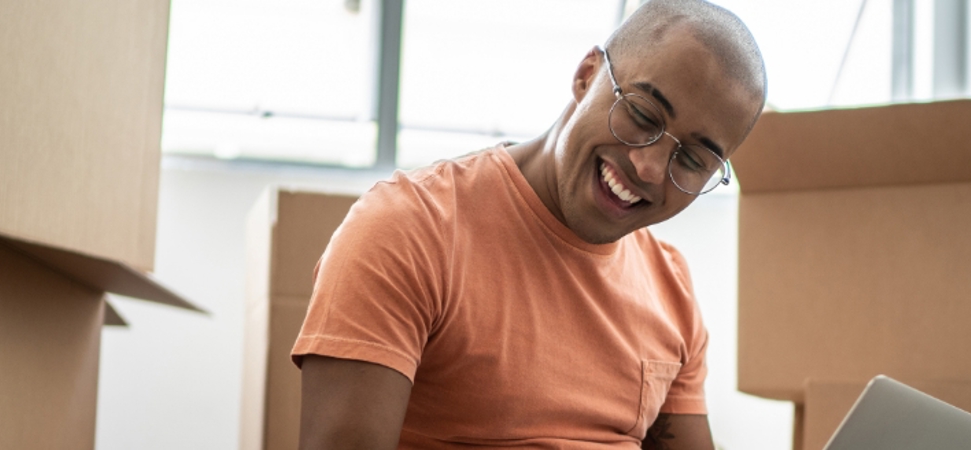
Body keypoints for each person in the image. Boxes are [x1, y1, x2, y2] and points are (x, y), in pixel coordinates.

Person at [290, 1, 765, 448]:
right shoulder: (408, 230)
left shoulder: (671, 287)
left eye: (693, 159)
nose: (650, 167)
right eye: (642, 115)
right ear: (587, 76)